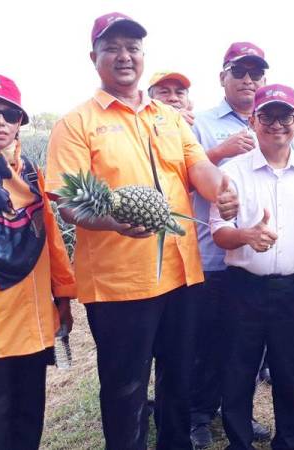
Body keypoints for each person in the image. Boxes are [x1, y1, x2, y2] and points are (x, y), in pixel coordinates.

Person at [44, 13, 235, 450]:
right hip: (119, 284)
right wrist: (111, 221)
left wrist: (221, 189)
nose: (124, 56)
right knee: (125, 387)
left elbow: (197, 166)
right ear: (95, 58)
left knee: (179, 378)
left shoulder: (168, 117)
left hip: (181, 275)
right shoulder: (76, 123)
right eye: (112, 48)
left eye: (132, 46)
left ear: (143, 55)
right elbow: (67, 201)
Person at [210, 83, 294, 450]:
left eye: (285, 116)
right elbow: (219, 233)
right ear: (253, 120)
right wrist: (247, 235)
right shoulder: (231, 173)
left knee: (288, 370)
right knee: (238, 370)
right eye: (267, 116)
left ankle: (289, 441)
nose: (276, 124)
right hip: (243, 286)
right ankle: (240, 441)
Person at [0, 73, 76, 450]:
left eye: (10, 114)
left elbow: (52, 243)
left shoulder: (30, 172)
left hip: (32, 325)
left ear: (20, 122)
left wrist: (63, 299)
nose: (0, 121)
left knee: (27, 423)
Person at [189, 41, 270, 448]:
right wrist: (220, 151)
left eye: (256, 73)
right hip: (208, 254)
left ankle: (237, 411)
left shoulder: (272, 120)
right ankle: (198, 417)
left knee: (244, 347)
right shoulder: (199, 123)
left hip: (251, 258)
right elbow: (178, 174)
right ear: (223, 76)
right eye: (240, 72)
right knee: (205, 341)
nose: (249, 80)